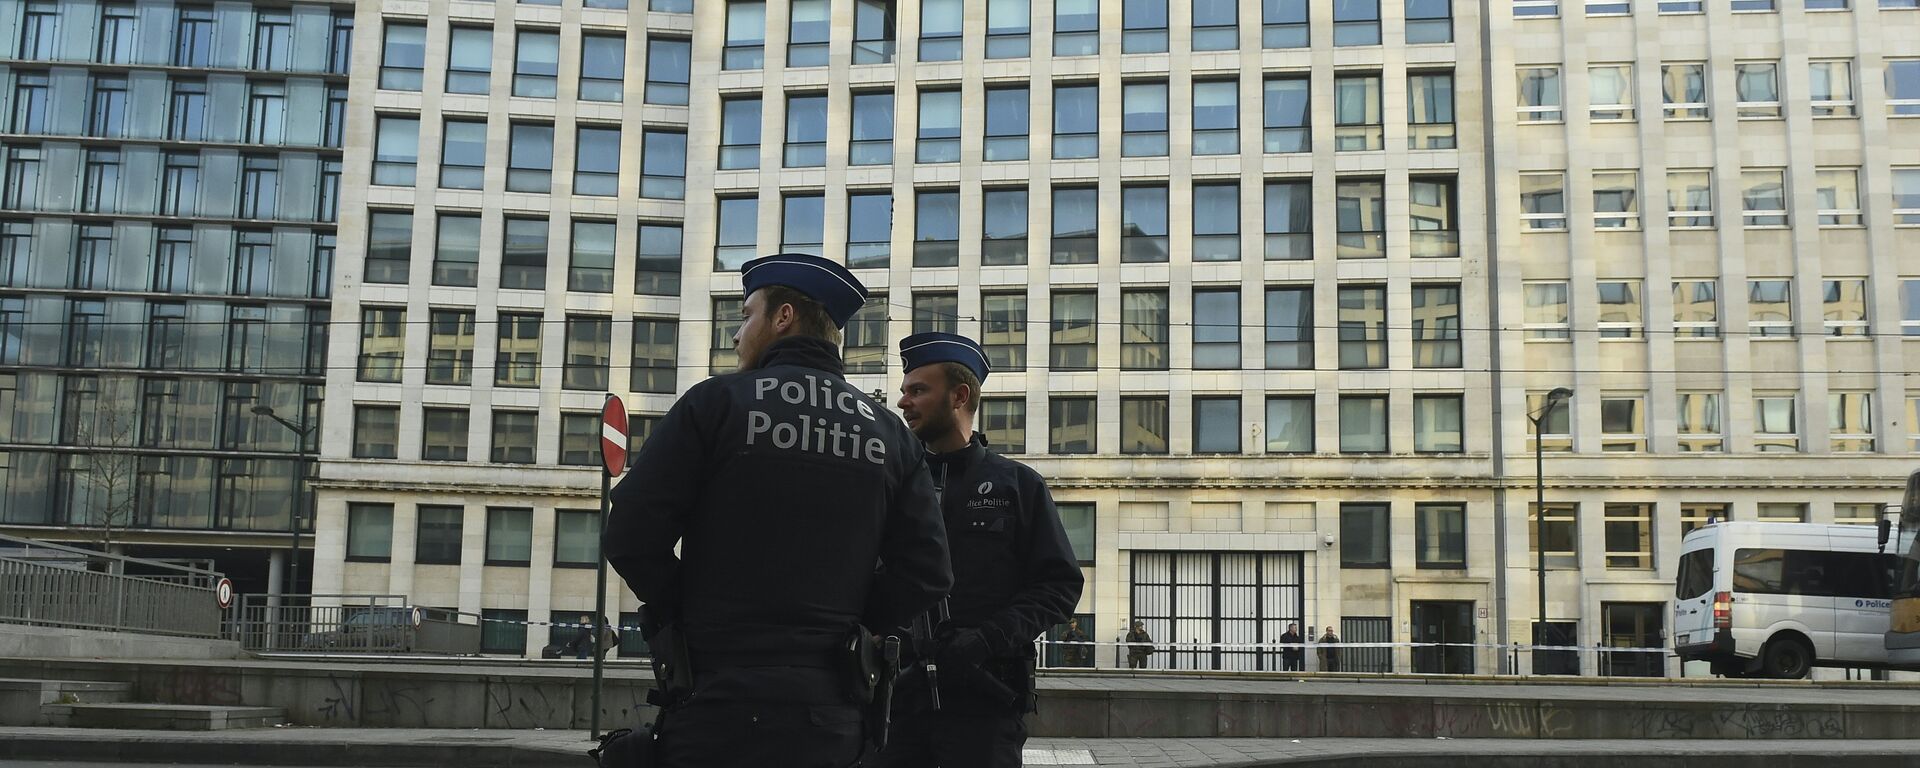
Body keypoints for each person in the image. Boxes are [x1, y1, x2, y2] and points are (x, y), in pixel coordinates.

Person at [604, 253, 953, 768]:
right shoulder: (889, 434)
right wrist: (853, 622)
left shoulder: (715, 404)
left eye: (746, 316)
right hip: (830, 712)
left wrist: (688, 610)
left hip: (715, 705)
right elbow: (929, 573)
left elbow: (630, 533)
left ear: (783, 317)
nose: (736, 334)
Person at [877, 332, 1084, 768]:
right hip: (898, 703)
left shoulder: (1018, 486)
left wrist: (986, 639)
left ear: (959, 396)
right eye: (903, 391)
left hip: (983, 705)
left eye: (917, 390)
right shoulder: (890, 482)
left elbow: (1059, 585)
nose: (903, 402)